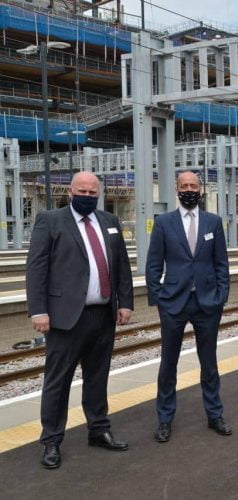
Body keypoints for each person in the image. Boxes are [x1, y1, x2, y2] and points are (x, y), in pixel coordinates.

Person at [26, 172, 134, 469]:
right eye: (82, 190)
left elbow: (121, 265)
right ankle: (51, 441)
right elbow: (36, 268)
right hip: (65, 318)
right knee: (57, 382)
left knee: (98, 377)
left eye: (92, 191)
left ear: (99, 193)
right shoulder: (51, 220)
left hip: (103, 315)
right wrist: (38, 310)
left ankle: (98, 429)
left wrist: (125, 302)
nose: (87, 195)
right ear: (70, 191)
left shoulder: (110, 222)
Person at [146, 171, 231, 443]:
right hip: (174, 302)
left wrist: (221, 296)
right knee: (168, 363)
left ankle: (215, 414)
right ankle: (164, 419)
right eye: (184, 185)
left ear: (202, 189)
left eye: (194, 185)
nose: (189, 189)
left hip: (207, 302)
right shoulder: (164, 223)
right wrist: (159, 298)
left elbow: (221, 264)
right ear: (176, 189)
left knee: (209, 362)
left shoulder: (213, 222)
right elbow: (153, 265)